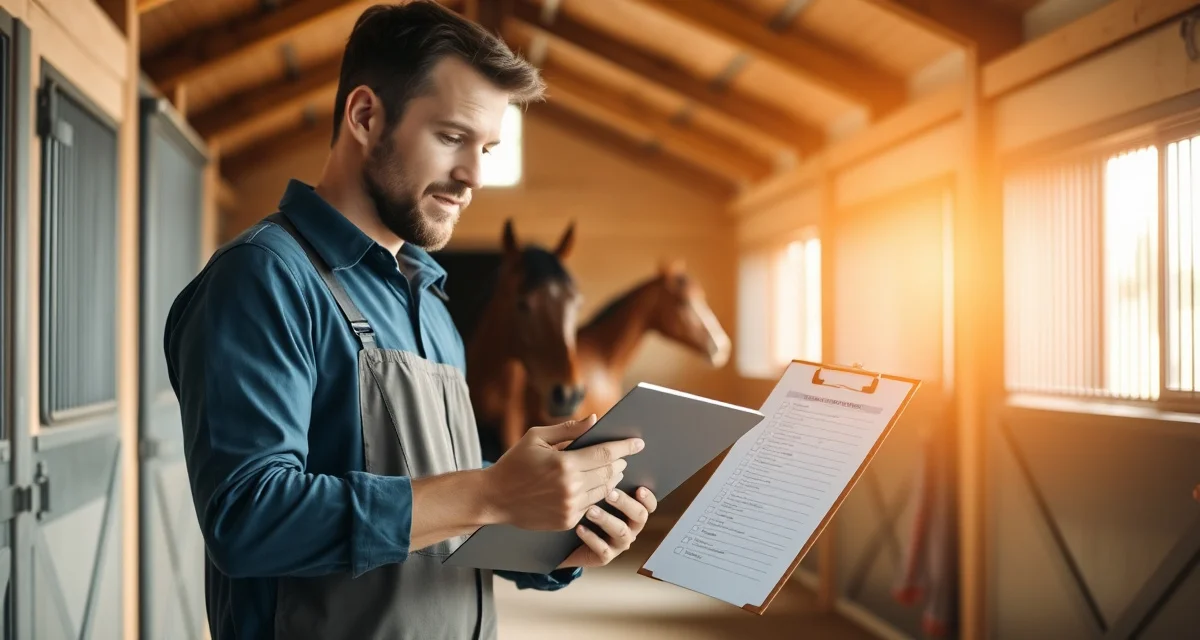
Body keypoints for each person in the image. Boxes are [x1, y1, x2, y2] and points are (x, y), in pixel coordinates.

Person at [162, 3, 657, 639]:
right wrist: (490, 491)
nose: (474, 176)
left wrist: (560, 540)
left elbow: (447, 516)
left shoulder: (428, 299)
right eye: (452, 137)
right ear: (366, 116)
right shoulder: (265, 278)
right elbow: (247, 520)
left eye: (486, 148)